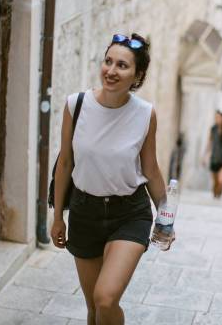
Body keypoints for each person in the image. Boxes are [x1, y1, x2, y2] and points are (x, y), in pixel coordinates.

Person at [50, 33, 173, 325]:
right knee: (94, 309)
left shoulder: (145, 114)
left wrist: (165, 217)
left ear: (137, 76)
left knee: (106, 299)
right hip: (84, 213)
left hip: (129, 213)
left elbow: (151, 169)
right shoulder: (75, 105)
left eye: (122, 65)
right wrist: (58, 217)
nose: (111, 71)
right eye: (108, 61)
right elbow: (65, 162)